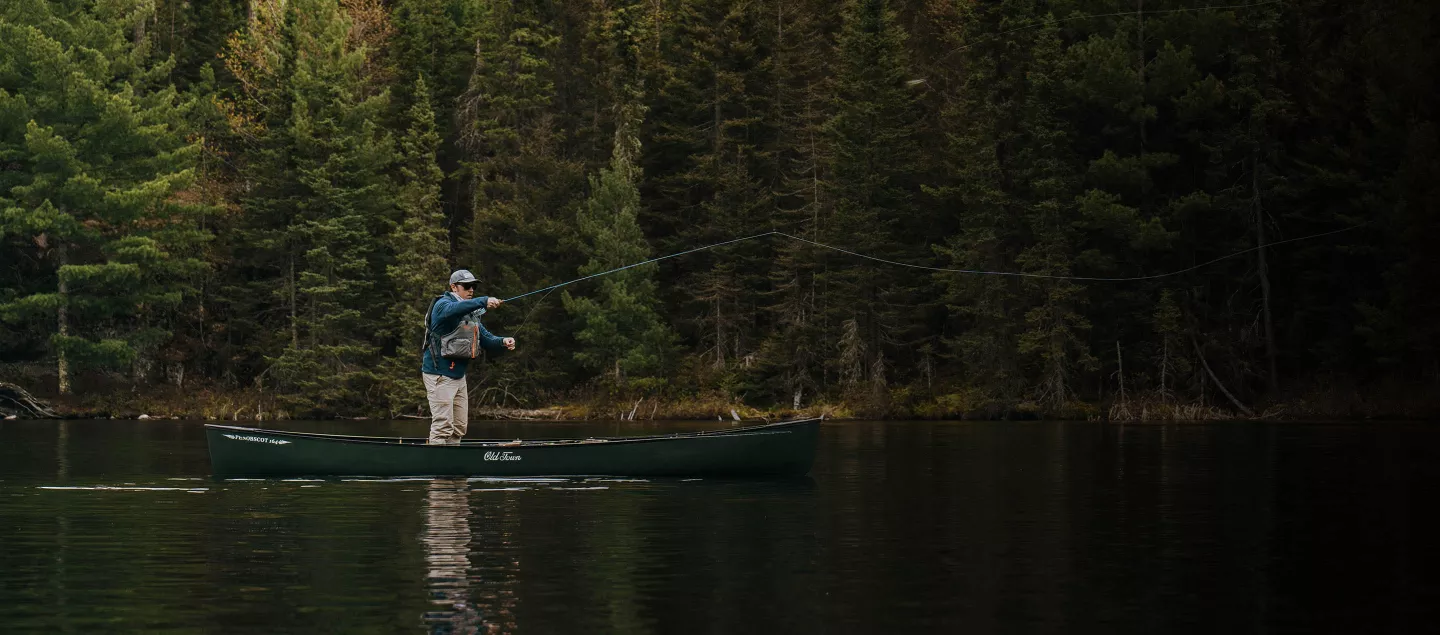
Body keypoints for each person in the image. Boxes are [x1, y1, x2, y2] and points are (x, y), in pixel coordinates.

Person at [422, 269, 516, 445]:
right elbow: (453, 310)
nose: (471, 290)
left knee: (459, 427)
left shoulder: (470, 312)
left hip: (458, 376)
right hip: (439, 375)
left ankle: (452, 468)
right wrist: (482, 301)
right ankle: (436, 466)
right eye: (466, 286)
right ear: (453, 287)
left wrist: (503, 341)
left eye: (473, 286)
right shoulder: (442, 305)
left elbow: (486, 338)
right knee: (443, 425)